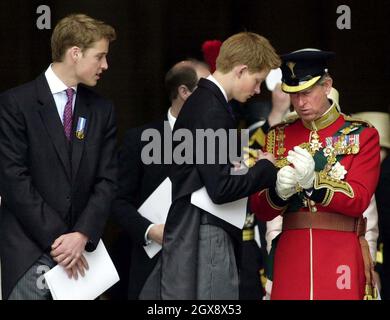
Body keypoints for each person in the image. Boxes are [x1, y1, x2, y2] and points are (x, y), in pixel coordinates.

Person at [0, 14, 117, 300]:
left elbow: (108, 180)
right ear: (75, 53)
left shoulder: (102, 110)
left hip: (84, 255)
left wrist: (82, 234)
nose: (105, 65)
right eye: (99, 56)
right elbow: (13, 180)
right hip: (28, 252)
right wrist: (62, 241)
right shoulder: (16, 103)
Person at [250, 48, 380, 300]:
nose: (300, 103)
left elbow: (360, 199)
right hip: (291, 254)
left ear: (327, 86)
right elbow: (261, 209)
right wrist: (278, 193)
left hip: (340, 251)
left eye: (307, 93)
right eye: (294, 95)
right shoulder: (277, 136)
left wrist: (315, 183)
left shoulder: (361, 134)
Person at [159, 32, 280, 300]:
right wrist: (265, 169)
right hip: (208, 229)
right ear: (241, 70)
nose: (258, 90)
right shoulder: (213, 109)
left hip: (200, 227)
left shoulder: (204, 102)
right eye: (257, 81)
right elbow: (221, 187)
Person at [112, 59, 210, 299]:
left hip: (209, 264)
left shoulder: (222, 138)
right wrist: (149, 230)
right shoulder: (140, 138)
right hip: (154, 264)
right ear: (184, 92)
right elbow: (116, 201)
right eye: (208, 89)